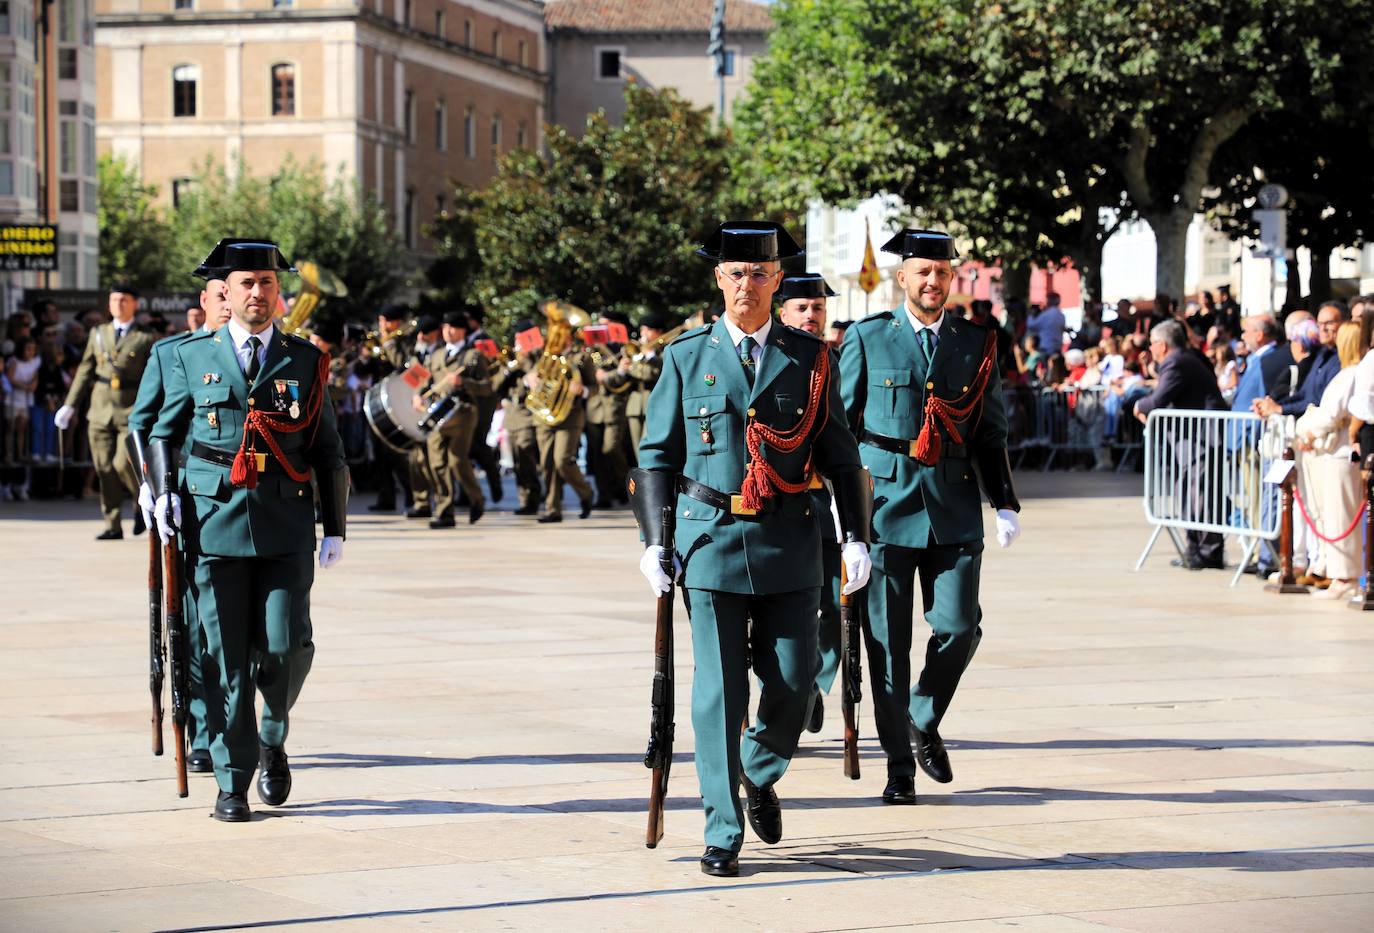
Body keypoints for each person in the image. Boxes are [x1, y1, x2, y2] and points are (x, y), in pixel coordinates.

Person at [632, 221, 872, 878]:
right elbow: (655, 458)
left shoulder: (812, 358)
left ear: (777, 280)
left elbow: (841, 456)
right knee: (719, 692)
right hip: (709, 545)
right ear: (719, 279)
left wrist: (856, 535)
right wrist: (654, 541)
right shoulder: (686, 357)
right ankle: (721, 825)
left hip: (790, 541)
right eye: (736, 272)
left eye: (759, 272)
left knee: (795, 683)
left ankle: (759, 769)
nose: (747, 283)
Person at [147, 241, 347, 822]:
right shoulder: (190, 355)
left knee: (286, 647)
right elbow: (164, 432)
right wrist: (162, 494)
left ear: (277, 292)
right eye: (246, 284)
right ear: (224, 295)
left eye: (266, 282)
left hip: (286, 523)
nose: (257, 293)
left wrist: (335, 525)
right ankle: (232, 783)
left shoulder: (304, 359)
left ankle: (273, 734)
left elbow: (327, 449)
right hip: (213, 525)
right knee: (224, 657)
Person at [838, 228, 1020, 806]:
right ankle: (899, 765)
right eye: (923, 272)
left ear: (953, 278)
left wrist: (1005, 500)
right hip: (887, 507)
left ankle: (923, 714)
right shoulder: (869, 338)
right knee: (887, 644)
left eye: (942, 273)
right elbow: (841, 434)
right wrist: (845, 520)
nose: (933, 282)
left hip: (954, 502)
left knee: (960, 626)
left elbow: (990, 430)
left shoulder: (975, 341)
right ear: (903, 277)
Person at [127, 245, 236, 775]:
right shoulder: (173, 352)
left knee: (235, 625)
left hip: (235, 499)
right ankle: (199, 723)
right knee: (189, 619)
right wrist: (149, 485)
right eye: (219, 296)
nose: (228, 305)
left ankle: (233, 723)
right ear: (207, 299)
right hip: (183, 497)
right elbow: (142, 424)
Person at [776, 271, 843, 733]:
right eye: (801, 307)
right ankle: (791, 693)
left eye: (817, 308)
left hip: (827, 503)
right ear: (782, 312)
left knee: (833, 607)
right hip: (780, 503)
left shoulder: (834, 360)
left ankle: (815, 685)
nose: (810, 315)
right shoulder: (768, 358)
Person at [55, 284, 159, 539]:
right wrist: (70, 404)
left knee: (123, 463)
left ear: (135, 303)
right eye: (114, 299)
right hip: (100, 406)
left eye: (124, 299)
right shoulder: (98, 333)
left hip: (131, 406)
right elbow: (85, 370)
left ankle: (140, 502)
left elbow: (154, 375)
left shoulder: (146, 336)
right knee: (103, 467)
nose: (118, 304)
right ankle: (112, 524)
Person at [1133, 320, 1229, 569]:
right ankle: (1195, 548)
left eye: (1152, 344)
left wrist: (1138, 406)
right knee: (1190, 491)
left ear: (1162, 345)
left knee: (1203, 494)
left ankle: (1208, 552)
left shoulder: (1176, 362)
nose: (1151, 349)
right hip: (1193, 438)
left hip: (1202, 438)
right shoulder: (1182, 359)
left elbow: (1159, 399)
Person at [1294, 321, 1363, 598]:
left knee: (1341, 516)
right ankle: (1339, 573)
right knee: (1335, 515)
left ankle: (1343, 577)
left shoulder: (1352, 375)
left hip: (1341, 451)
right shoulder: (1349, 373)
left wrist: (1309, 430)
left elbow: (1332, 413)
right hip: (1335, 449)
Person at [417, 310, 489, 527]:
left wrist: (464, 383)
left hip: (462, 413)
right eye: (445, 327)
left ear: (463, 331)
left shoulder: (472, 356)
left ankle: (476, 498)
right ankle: (444, 510)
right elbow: (424, 381)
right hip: (437, 414)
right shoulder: (436, 355)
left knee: (457, 461)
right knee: (437, 463)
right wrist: (418, 396)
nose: (448, 332)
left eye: (453, 328)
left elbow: (486, 387)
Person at [531, 306, 596, 524]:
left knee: (562, 461)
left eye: (560, 330)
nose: (555, 335)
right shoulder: (545, 357)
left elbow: (594, 387)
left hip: (570, 416)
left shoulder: (581, 358)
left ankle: (585, 492)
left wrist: (582, 390)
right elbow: (531, 378)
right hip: (545, 415)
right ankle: (552, 508)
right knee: (546, 463)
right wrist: (530, 380)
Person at [496, 319, 543, 514]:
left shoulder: (537, 356)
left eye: (520, 338)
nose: (517, 342)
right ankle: (525, 498)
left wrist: (525, 365)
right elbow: (496, 386)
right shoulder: (513, 359)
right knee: (516, 461)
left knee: (526, 459)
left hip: (527, 414)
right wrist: (510, 368)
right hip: (512, 414)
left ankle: (531, 499)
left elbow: (536, 379)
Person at [626, 311, 672, 451]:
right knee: (636, 449)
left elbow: (653, 374)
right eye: (642, 330)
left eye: (647, 330)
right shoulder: (638, 352)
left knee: (648, 448)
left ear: (658, 332)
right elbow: (630, 372)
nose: (643, 333)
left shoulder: (666, 350)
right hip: (635, 406)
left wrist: (650, 356)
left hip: (654, 403)